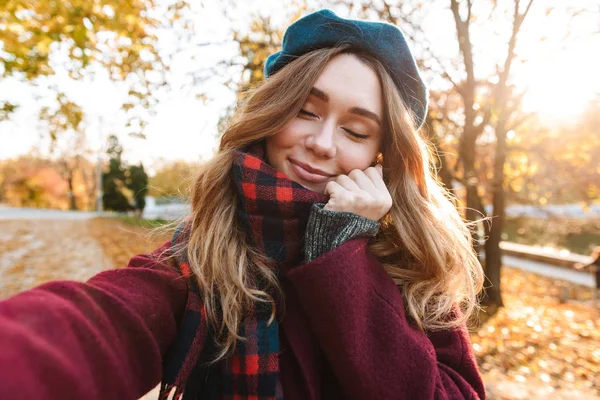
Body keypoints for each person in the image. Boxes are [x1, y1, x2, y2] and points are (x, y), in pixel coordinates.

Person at [0, 9, 486, 400]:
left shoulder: (417, 262)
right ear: (273, 114)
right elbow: (111, 319)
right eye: (305, 111)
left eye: (355, 130)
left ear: (382, 155)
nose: (321, 142)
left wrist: (345, 255)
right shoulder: (208, 245)